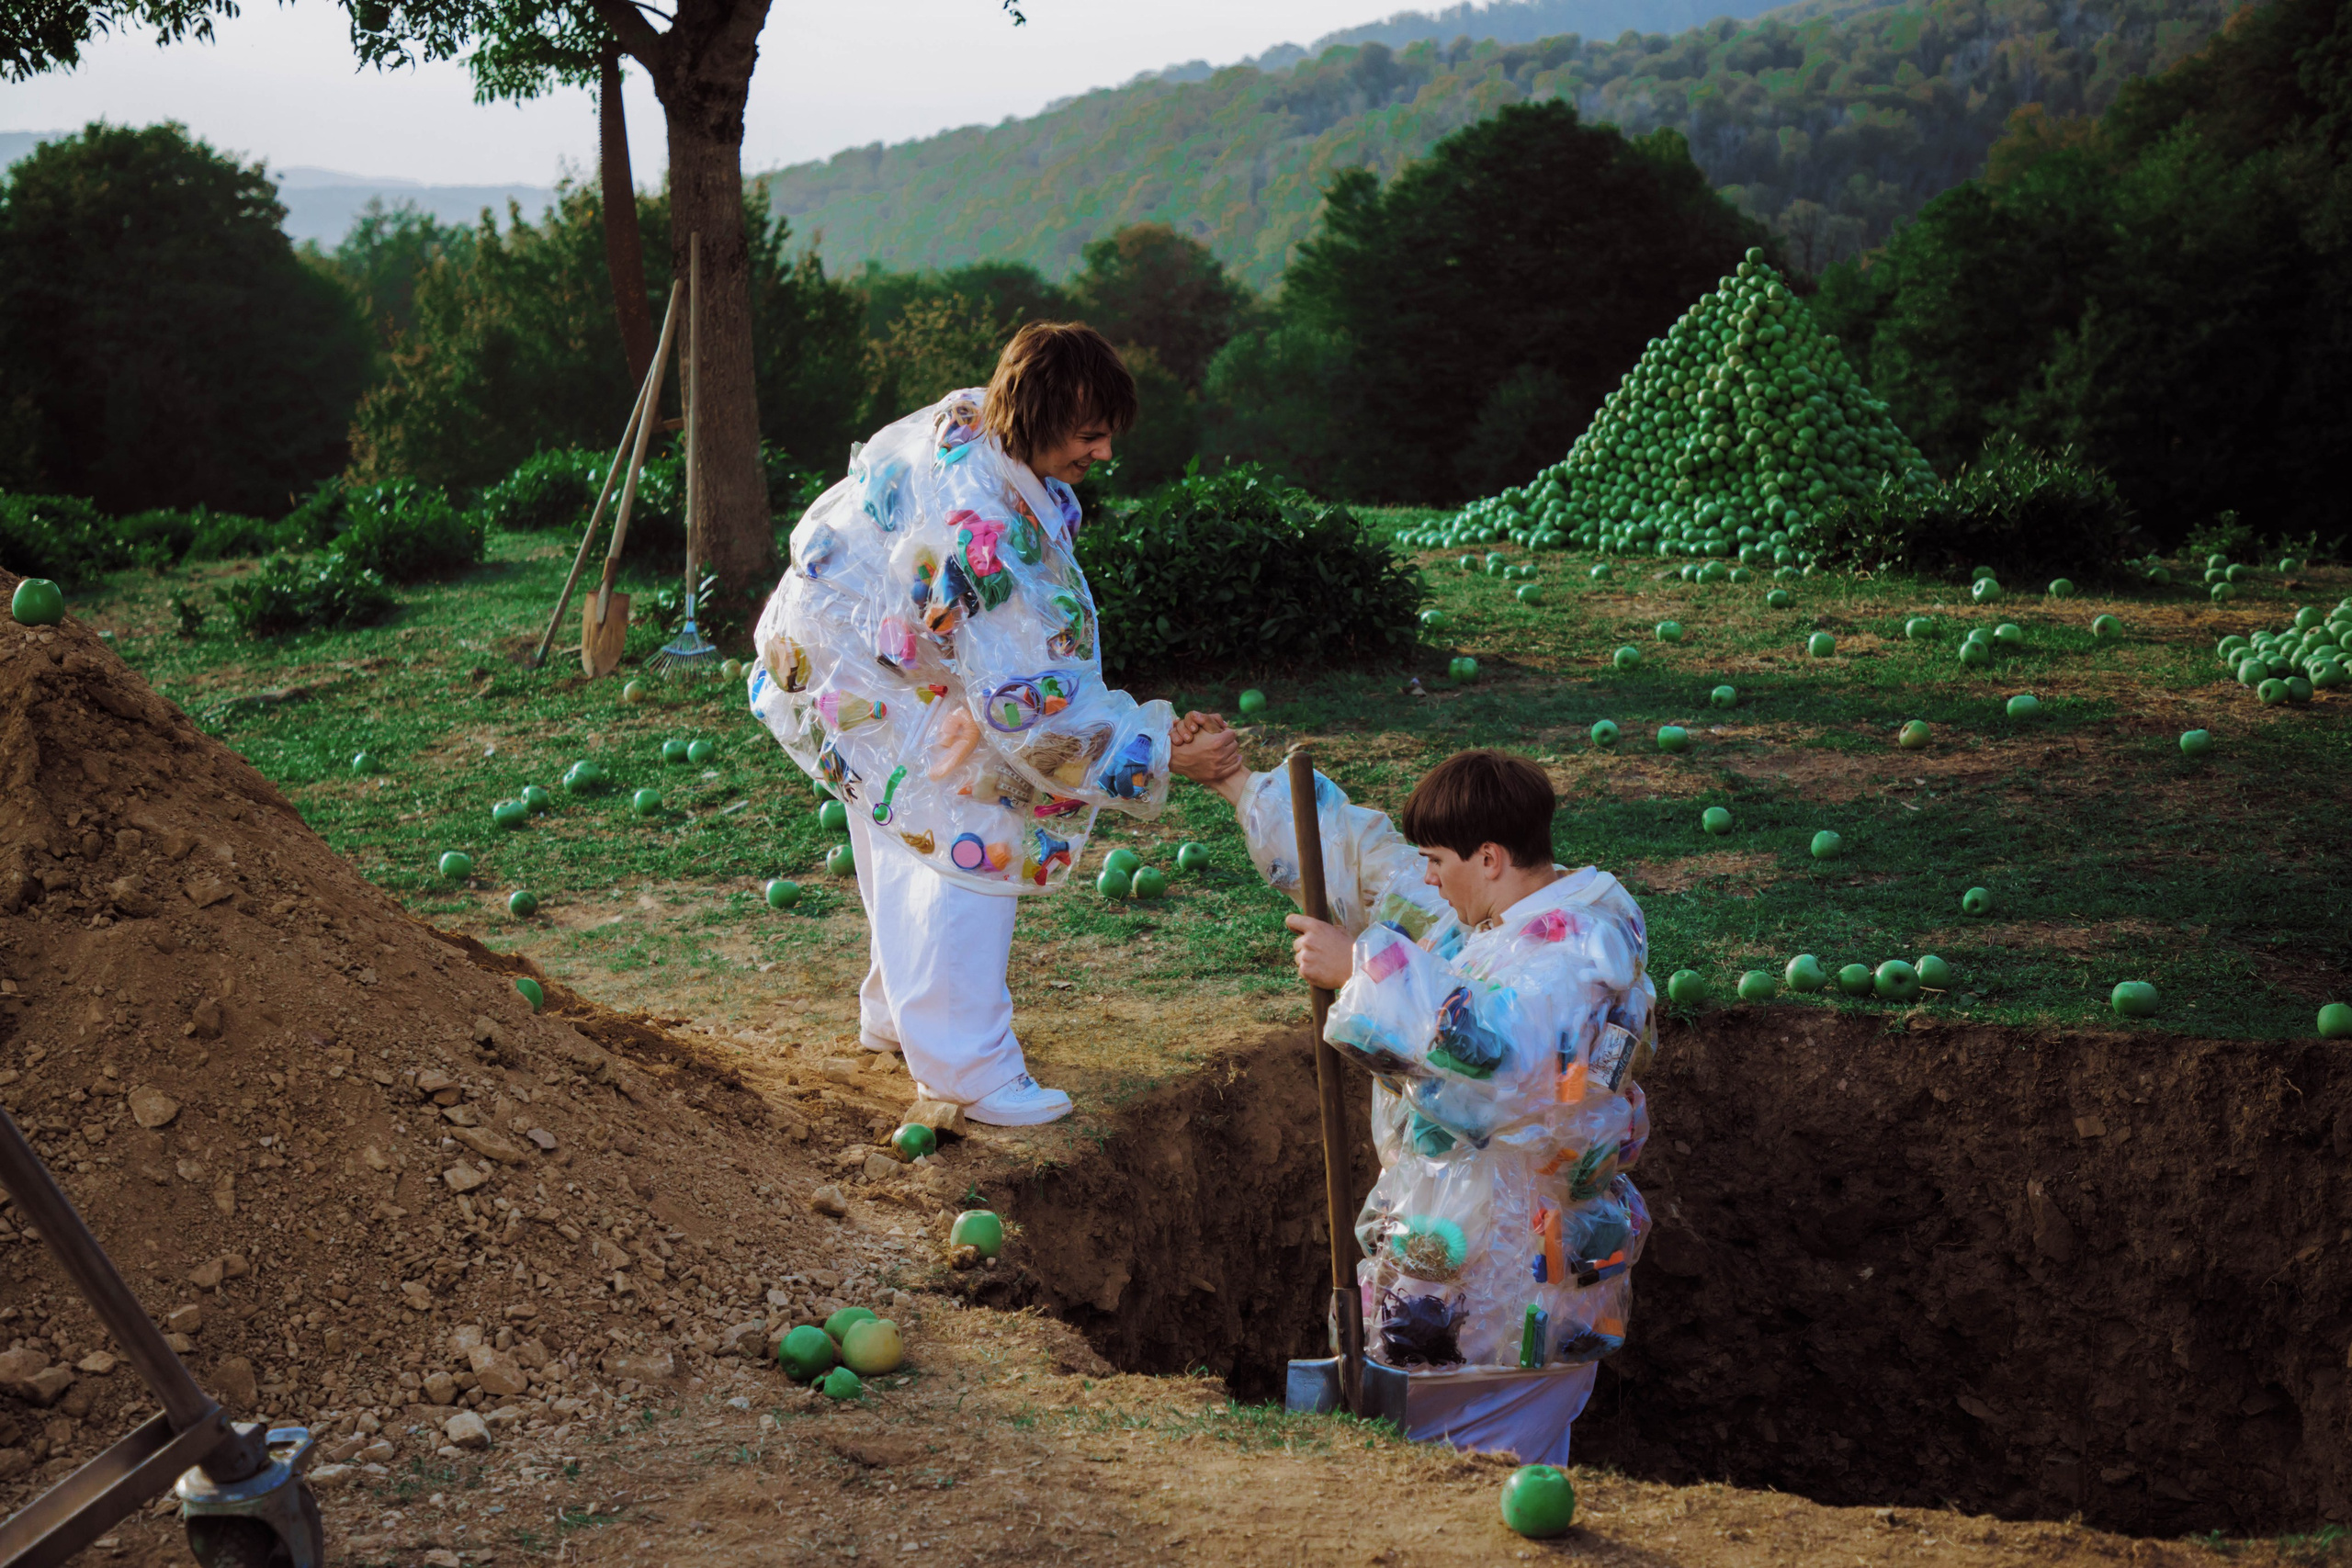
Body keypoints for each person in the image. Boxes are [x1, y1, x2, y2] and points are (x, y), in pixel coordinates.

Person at [749, 322, 1239, 1126]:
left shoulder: (982, 426)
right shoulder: (985, 530)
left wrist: (967, 693)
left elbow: (974, 637)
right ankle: (967, 1068)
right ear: (1040, 415)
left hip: (850, 644)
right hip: (858, 663)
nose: (1106, 454)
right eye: (1091, 434)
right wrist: (1155, 749)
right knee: (972, 826)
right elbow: (1036, 699)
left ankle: (894, 1013)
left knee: (896, 812)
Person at [1188, 740, 1655, 1464]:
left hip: (1511, 1280)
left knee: (1491, 1463)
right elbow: (1365, 860)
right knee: (1432, 1452)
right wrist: (1232, 779)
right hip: (1444, 1249)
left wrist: (1361, 967)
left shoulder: (1579, 948)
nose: (1427, 879)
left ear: (1491, 857)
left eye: (1439, 860)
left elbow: (1509, 1060)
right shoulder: (1479, 913)